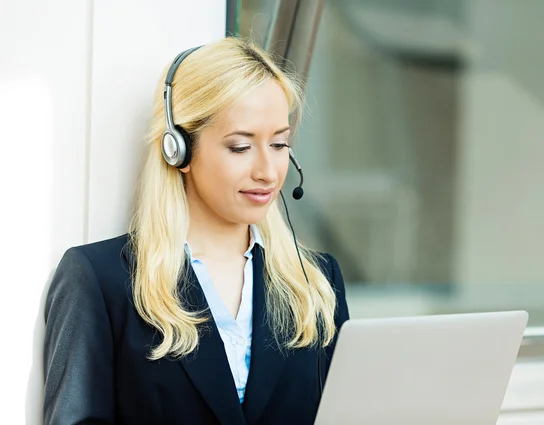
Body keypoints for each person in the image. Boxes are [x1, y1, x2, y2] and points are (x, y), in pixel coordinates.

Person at [43, 37, 350, 425]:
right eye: (240, 147)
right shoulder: (98, 280)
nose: (268, 172)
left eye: (279, 144)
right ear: (179, 150)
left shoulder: (317, 284)